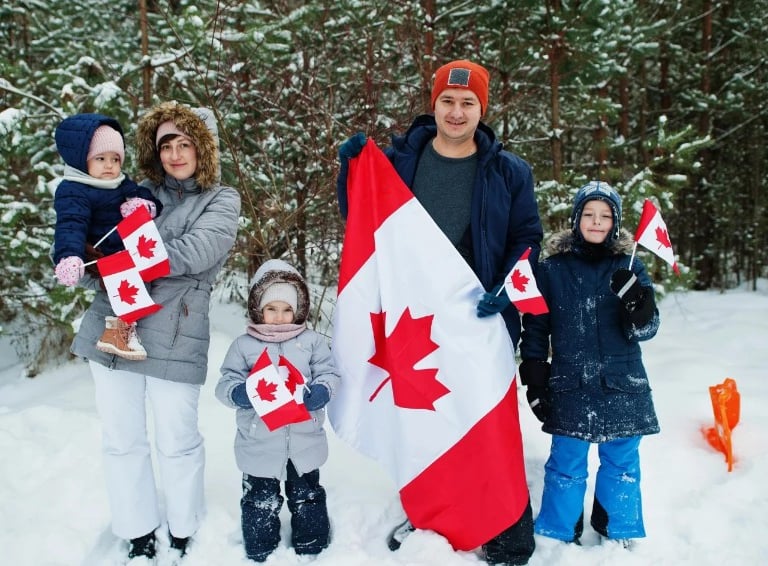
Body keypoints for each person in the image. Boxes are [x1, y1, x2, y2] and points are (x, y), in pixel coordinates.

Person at [337, 59, 543, 565]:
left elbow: (527, 237)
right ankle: (431, 515)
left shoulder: (508, 171)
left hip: (481, 315)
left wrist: (506, 286)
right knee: (425, 419)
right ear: (434, 104)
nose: (456, 111)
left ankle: (508, 525)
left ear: (481, 109)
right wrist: (350, 171)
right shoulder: (400, 161)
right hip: (414, 317)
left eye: (468, 103)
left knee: (488, 419)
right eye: (448, 101)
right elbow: (362, 219)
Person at [69, 102, 241, 562]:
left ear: (203, 149)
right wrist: (77, 259)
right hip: (114, 326)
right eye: (167, 145)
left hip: (176, 333)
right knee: (122, 440)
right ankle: (137, 530)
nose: (176, 154)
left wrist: (123, 255)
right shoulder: (134, 193)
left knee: (177, 441)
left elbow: (195, 252)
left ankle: (185, 528)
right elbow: (96, 247)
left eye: (186, 144)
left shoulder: (221, 199)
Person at [518, 181, 660, 548]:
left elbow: (647, 329)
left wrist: (637, 303)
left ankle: (618, 530)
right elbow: (537, 325)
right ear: (576, 219)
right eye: (589, 214)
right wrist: (535, 375)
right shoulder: (552, 269)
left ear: (615, 222)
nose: (596, 222)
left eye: (605, 216)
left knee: (622, 463)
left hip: (622, 382)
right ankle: (558, 532)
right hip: (571, 383)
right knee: (566, 462)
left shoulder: (630, 265)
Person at [215, 259, 340, 562]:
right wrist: (240, 393)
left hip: (304, 440)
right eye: (272, 309)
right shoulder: (244, 345)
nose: (279, 317)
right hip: (259, 441)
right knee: (260, 500)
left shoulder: (311, 342)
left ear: (298, 310)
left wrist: (322, 391)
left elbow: (329, 373)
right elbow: (225, 382)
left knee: (307, 496)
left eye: (287, 309)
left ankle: (311, 545)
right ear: (258, 308)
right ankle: (261, 547)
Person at [52, 113, 163, 360]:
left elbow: (145, 196)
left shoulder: (120, 183)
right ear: (82, 160)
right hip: (100, 255)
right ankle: (117, 333)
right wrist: (69, 256)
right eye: (100, 158)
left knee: (139, 282)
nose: (110, 165)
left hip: (126, 248)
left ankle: (120, 331)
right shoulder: (74, 190)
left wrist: (144, 205)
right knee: (130, 288)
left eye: (115, 159)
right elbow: (70, 225)